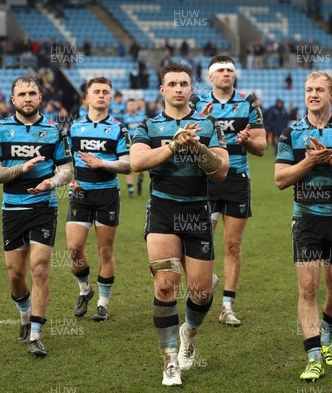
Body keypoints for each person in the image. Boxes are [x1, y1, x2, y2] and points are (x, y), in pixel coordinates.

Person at [129, 62, 228, 386]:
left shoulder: (208, 124)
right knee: (165, 285)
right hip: (162, 211)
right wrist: (173, 145)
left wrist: (196, 147)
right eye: (172, 84)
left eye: (184, 83)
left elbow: (221, 170)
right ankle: (170, 361)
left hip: (198, 211)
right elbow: (137, 162)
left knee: (200, 292)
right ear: (163, 90)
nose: (178, 89)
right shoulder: (148, 125)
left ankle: (189, 331)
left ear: (191, 88)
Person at [274, 71, 332, 382]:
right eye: (308, 90)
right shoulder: (291, 134)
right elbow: (280, 180)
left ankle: (329, 340)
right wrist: (311, 161)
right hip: (306, 220)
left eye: (319, 90)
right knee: (309, 289)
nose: (313, 94)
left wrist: (331, 160)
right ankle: (313, 355)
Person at [0, 76, 74, 358]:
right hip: (12, 208)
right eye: (21, 94)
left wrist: (51, 183)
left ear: (40, 97)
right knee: (15, 275)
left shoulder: (53, 130)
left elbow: (67, 169)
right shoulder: (1, 129)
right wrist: (22, 169)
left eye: (32, 93)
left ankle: (36, 333)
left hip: (43, 207)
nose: (27, 98)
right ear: (12, 99)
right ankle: (24, 315)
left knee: (39, 268)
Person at [190, 55, 266, 326]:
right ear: (210, 76)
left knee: (232, 245)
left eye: (230, 70)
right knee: (202, 240)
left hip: (236, 179)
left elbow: (262, 148)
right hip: (207, 180)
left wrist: (247, 141)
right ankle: (206, 279)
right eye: (220, 70)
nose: (226, 74)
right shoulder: (197, 104)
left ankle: (226, 306)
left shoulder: (248, 102)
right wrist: (203, 123)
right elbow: (187, 140)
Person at [66, 77, 131, 322]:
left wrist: (102, 163)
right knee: (73, 249)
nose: (101, 95)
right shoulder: (74, 127)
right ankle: (85, 289)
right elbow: (66, 159)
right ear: (87, 98)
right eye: (97, 91)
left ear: (111, 98)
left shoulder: (118, 128)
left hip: (106, 194)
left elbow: (127, 165)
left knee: (105, 250)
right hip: (81, 193)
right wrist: (71, 175)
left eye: (106, 92)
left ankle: (103, 303)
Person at [123, 98, 145, 197]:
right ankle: (131, 191)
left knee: (140, 170)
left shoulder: (142, 117)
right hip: (129, 145)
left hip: (140, 145)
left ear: (137, 105)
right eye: (130, 105)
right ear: (127, 107)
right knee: (129, 167)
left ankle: (139, 182)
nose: (132, 106)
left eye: (134, 104)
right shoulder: (124, 118)